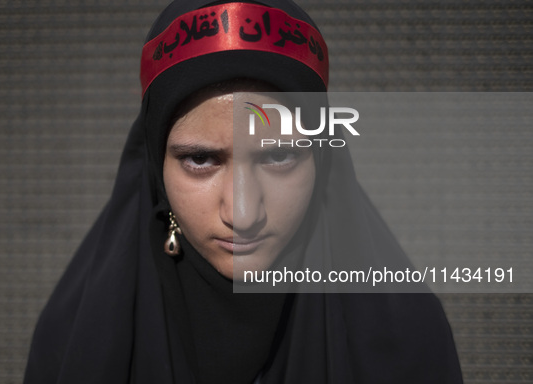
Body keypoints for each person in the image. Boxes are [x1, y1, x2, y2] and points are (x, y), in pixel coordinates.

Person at [24, 1, 463, 383]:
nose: (243, 211)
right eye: (201, 160)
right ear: (156, 170)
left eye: (278, 158)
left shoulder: (407, 343)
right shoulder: (76, 346)